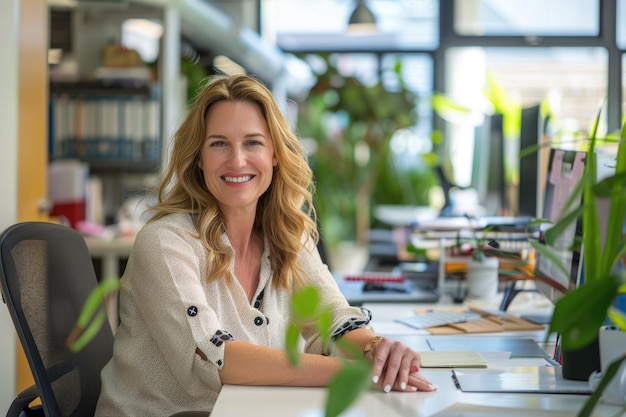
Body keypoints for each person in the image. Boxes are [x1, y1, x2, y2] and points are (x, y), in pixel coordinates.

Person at [95, 73, 436, 416]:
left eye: (253, 142)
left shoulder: (288, 237)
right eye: (218, 144)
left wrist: (374, 351)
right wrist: (355, 373)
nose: (237, 160)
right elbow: (219, 356)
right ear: (198, 157)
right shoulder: (166, 243)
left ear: (275, 153)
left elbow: (332, 319)